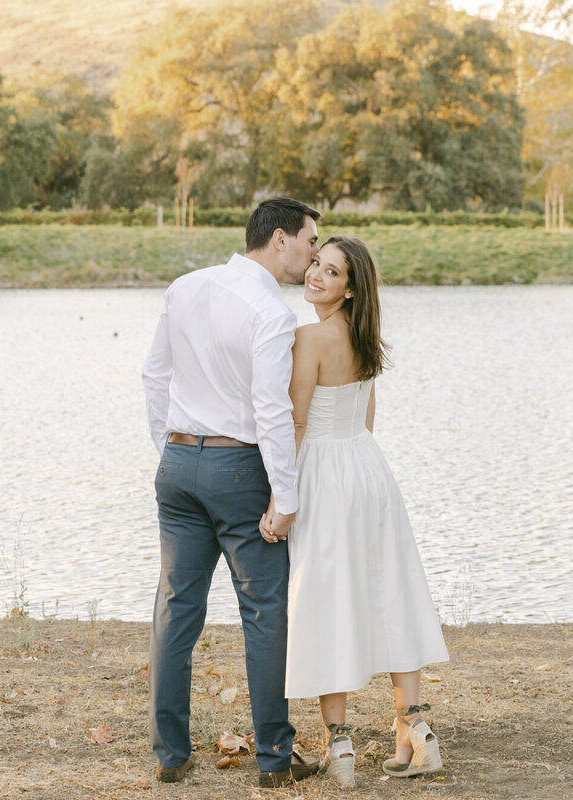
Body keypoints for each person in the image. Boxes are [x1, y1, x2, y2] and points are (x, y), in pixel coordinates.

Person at [141, 197, 323, 788]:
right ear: (278, 239)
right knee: (265, 612)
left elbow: (154, 375)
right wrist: (286, 499)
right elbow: (271, 411)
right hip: (241, 469)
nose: (313, 254)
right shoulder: (270, 312)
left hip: (179, 464)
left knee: (176, 608)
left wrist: (168, 447)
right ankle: (274, 759)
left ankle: (171, 752)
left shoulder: (185, 286)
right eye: (308, 241)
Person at [262, 235, 449, 788]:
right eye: (315, 263)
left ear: (349, 288)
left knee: (326, 600)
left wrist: (281, 500)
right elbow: (367, 416)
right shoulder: (368, 338)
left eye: (332, 271)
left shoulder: (309, 337)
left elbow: (295, 423)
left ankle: (338, 743)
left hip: (325, 471)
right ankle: (415, 730)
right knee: (391, 591)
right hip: (369, 470)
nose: (316, 274)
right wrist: (355, 468)